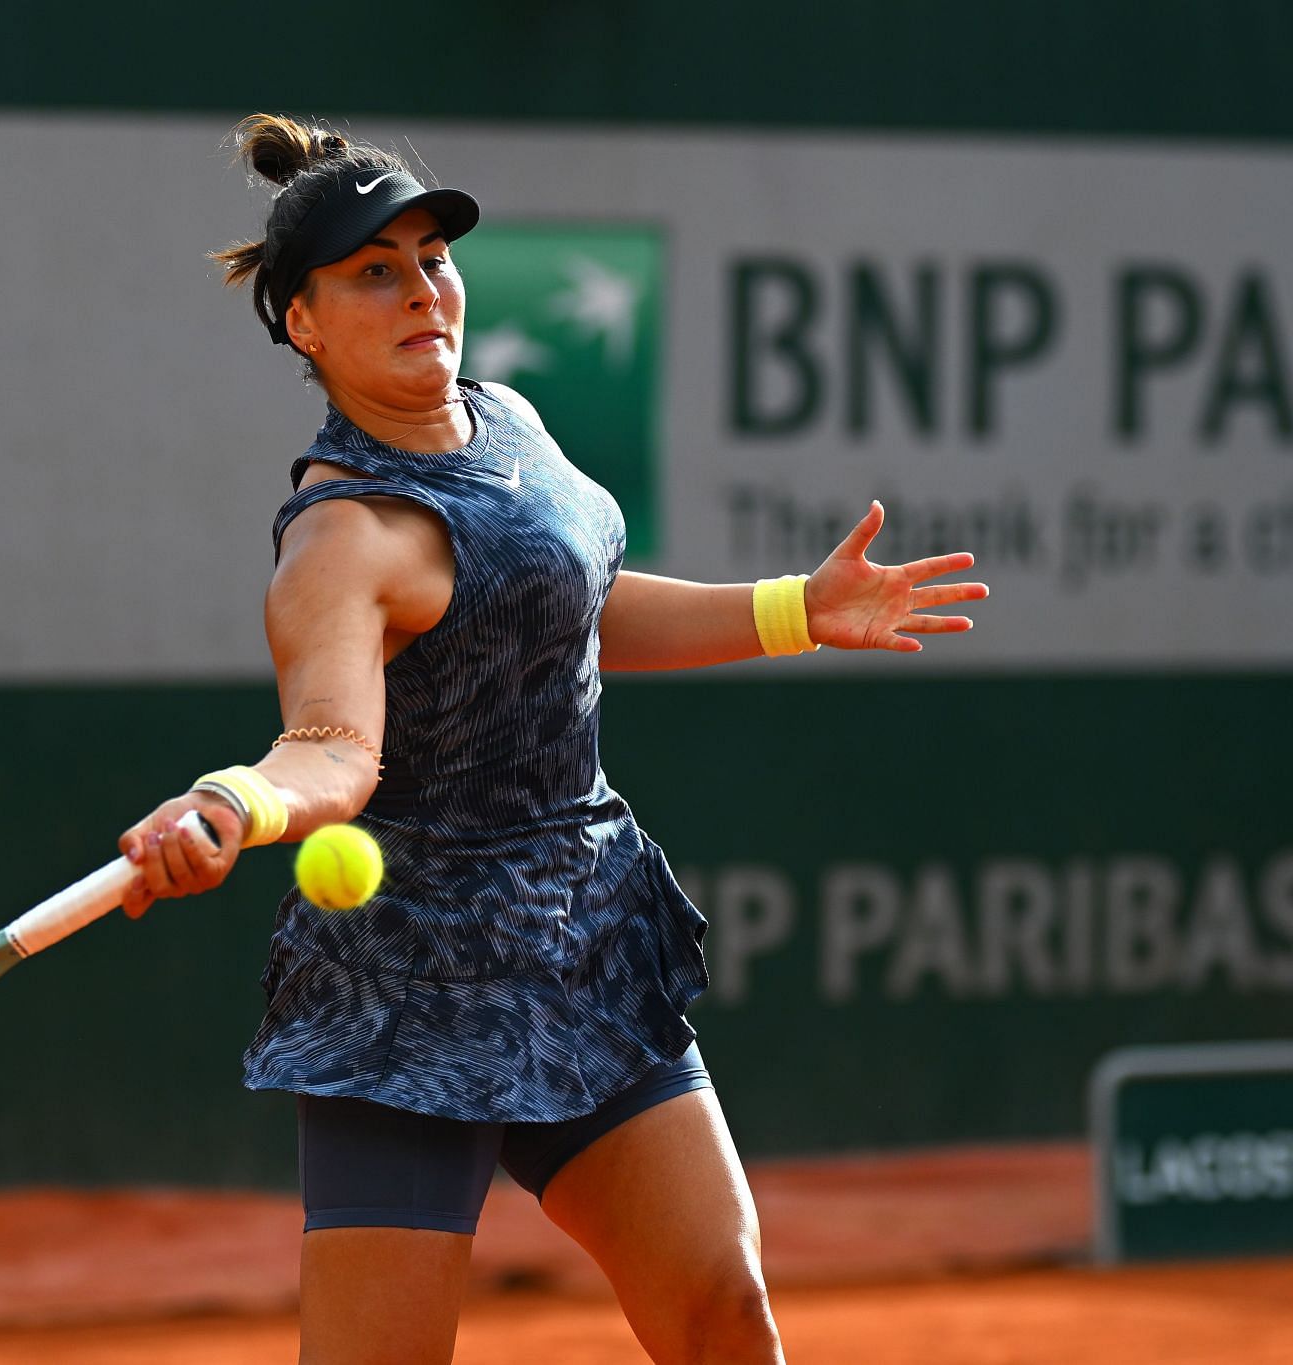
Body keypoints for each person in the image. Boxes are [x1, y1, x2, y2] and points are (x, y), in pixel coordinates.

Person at [117, 114, 988, 1365]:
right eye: (377, 272)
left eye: (432, 258)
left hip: (581, 939)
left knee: (722, 1309)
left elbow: (568, 608)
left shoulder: (506, 419)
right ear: (304, 324)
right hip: (412, 992)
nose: (424, 289)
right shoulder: (344, 542)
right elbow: (330, 748)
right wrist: (234, 805)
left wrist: (799, 608)